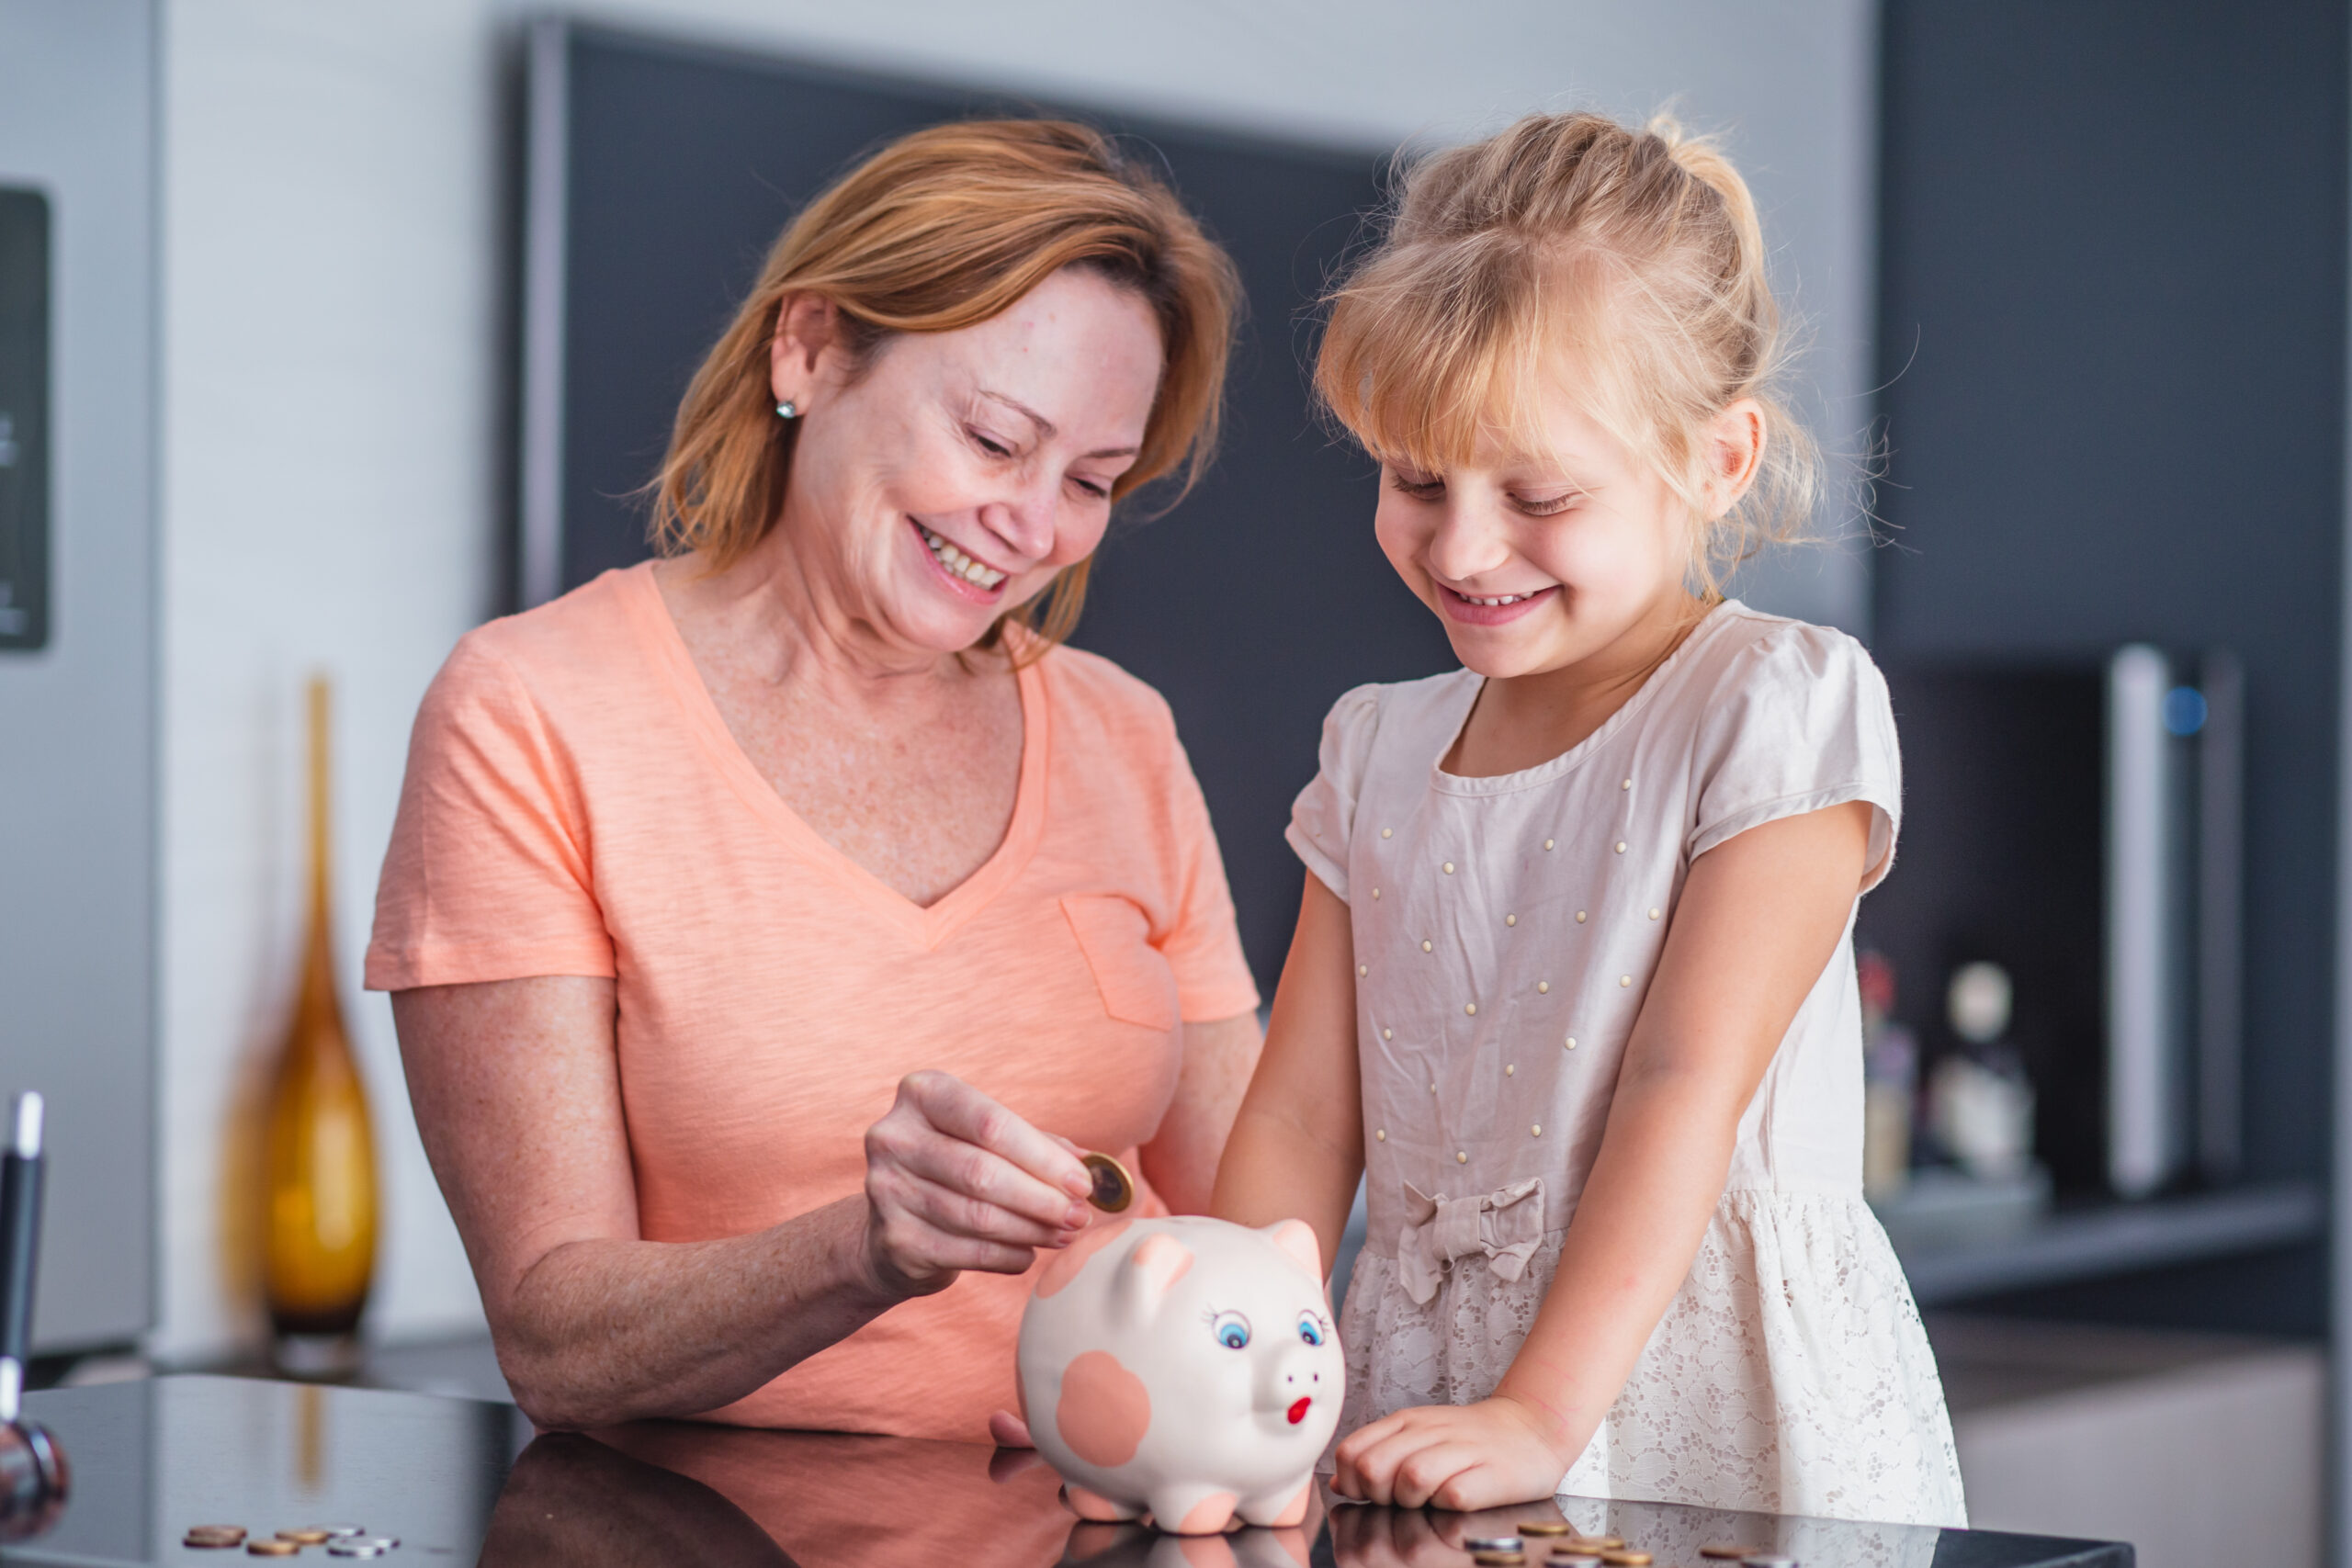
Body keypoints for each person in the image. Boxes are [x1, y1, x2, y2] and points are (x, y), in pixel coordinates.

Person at [367, 119, 1262, 1440]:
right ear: (810, 348)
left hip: (1105, 1515)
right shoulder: (533, 713)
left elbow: (1256, 1227)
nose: (1035, 526)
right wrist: (867, 1249)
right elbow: (556, 1339)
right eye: (993, 439)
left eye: (1092, 480)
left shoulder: (1124, 733)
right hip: (715, 1528)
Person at [1213, 111, 1966, 1524]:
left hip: (1677, 1389)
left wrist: (1538, 1415)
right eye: (1416, 478)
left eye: (1539, 493)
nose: (1462, 546)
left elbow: (1682, 1084)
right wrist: (1202, 1378)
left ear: (1719, 460)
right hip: (1425, 1383)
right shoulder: (1376, 748)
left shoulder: (1773, 705)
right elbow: (1304, 1116)